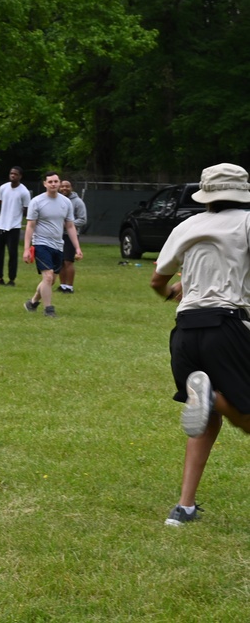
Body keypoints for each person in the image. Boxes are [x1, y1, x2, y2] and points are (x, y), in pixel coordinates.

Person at [149, 163, 250, 526]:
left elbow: (156, 281)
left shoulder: (187, 225)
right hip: (228, 328)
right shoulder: (246, 223)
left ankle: (184, 507)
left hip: (186, 332)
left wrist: (173, 291)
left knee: (206, 421)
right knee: (240, 415)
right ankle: (210, 397)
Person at [22, 171, 82, 318]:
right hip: (41, 243)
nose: (53, 184)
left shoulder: (66, 202)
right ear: (45, 184)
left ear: (59, 183)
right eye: (50, 182)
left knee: (51, 280)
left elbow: (70, 226)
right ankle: (49, 309)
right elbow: (30, 226)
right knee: (48, 277)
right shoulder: (36, 201)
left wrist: (77, 247)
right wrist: (26, 249)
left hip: (58, 245)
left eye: (56, 181)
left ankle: (32, 302)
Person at [0, 166, 31, 286]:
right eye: (11, 173)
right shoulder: (3, 188)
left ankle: (12, 279)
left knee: (12, 253)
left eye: (16, 174)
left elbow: (27, 209)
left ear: (20, 176)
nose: (13, 175)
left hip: (14, 227)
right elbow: (0, 201)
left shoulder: (24, 192)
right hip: (1, 225)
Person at [57, 179, 87, 293]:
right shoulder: (58, 200)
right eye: (62, 186)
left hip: (71, 235)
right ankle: (62, 285)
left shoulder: (78, 202)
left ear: (71, 188)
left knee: (68, 261)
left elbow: (83, 220)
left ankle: (70, 287)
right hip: (58, 235)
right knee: (60, 261)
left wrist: (68, 225)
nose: (64, 188)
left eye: (67, 186)